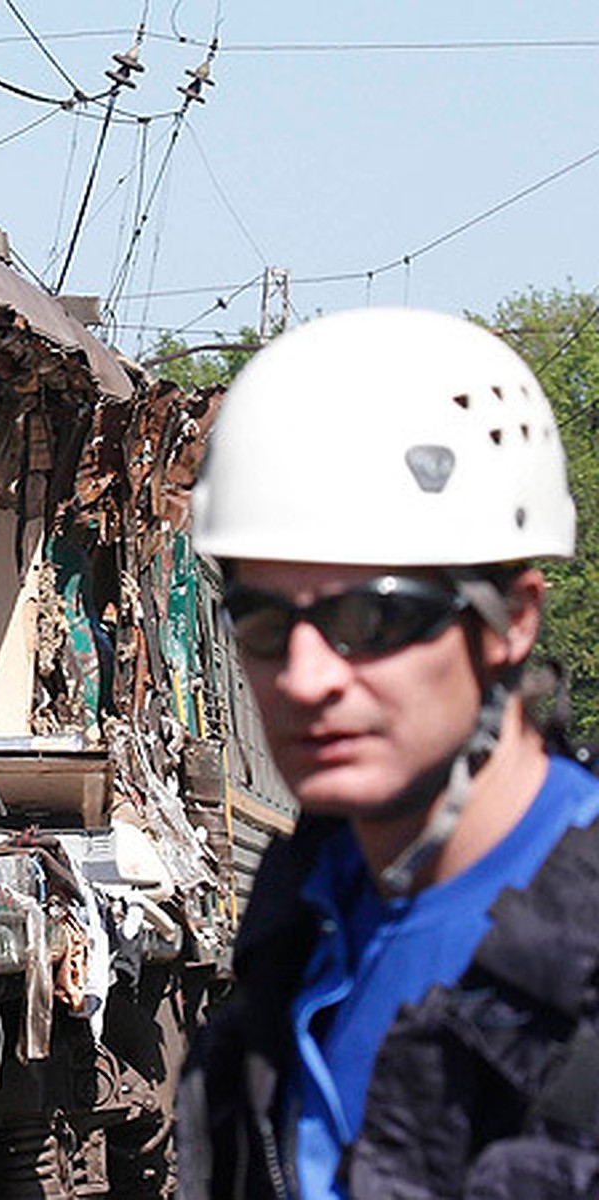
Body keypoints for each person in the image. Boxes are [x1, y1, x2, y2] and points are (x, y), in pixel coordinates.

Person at [176, 307, 599, 1199]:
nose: (305, 675)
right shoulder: (296, 944)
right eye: (263, 621)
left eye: (370, 617)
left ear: (513, 619)